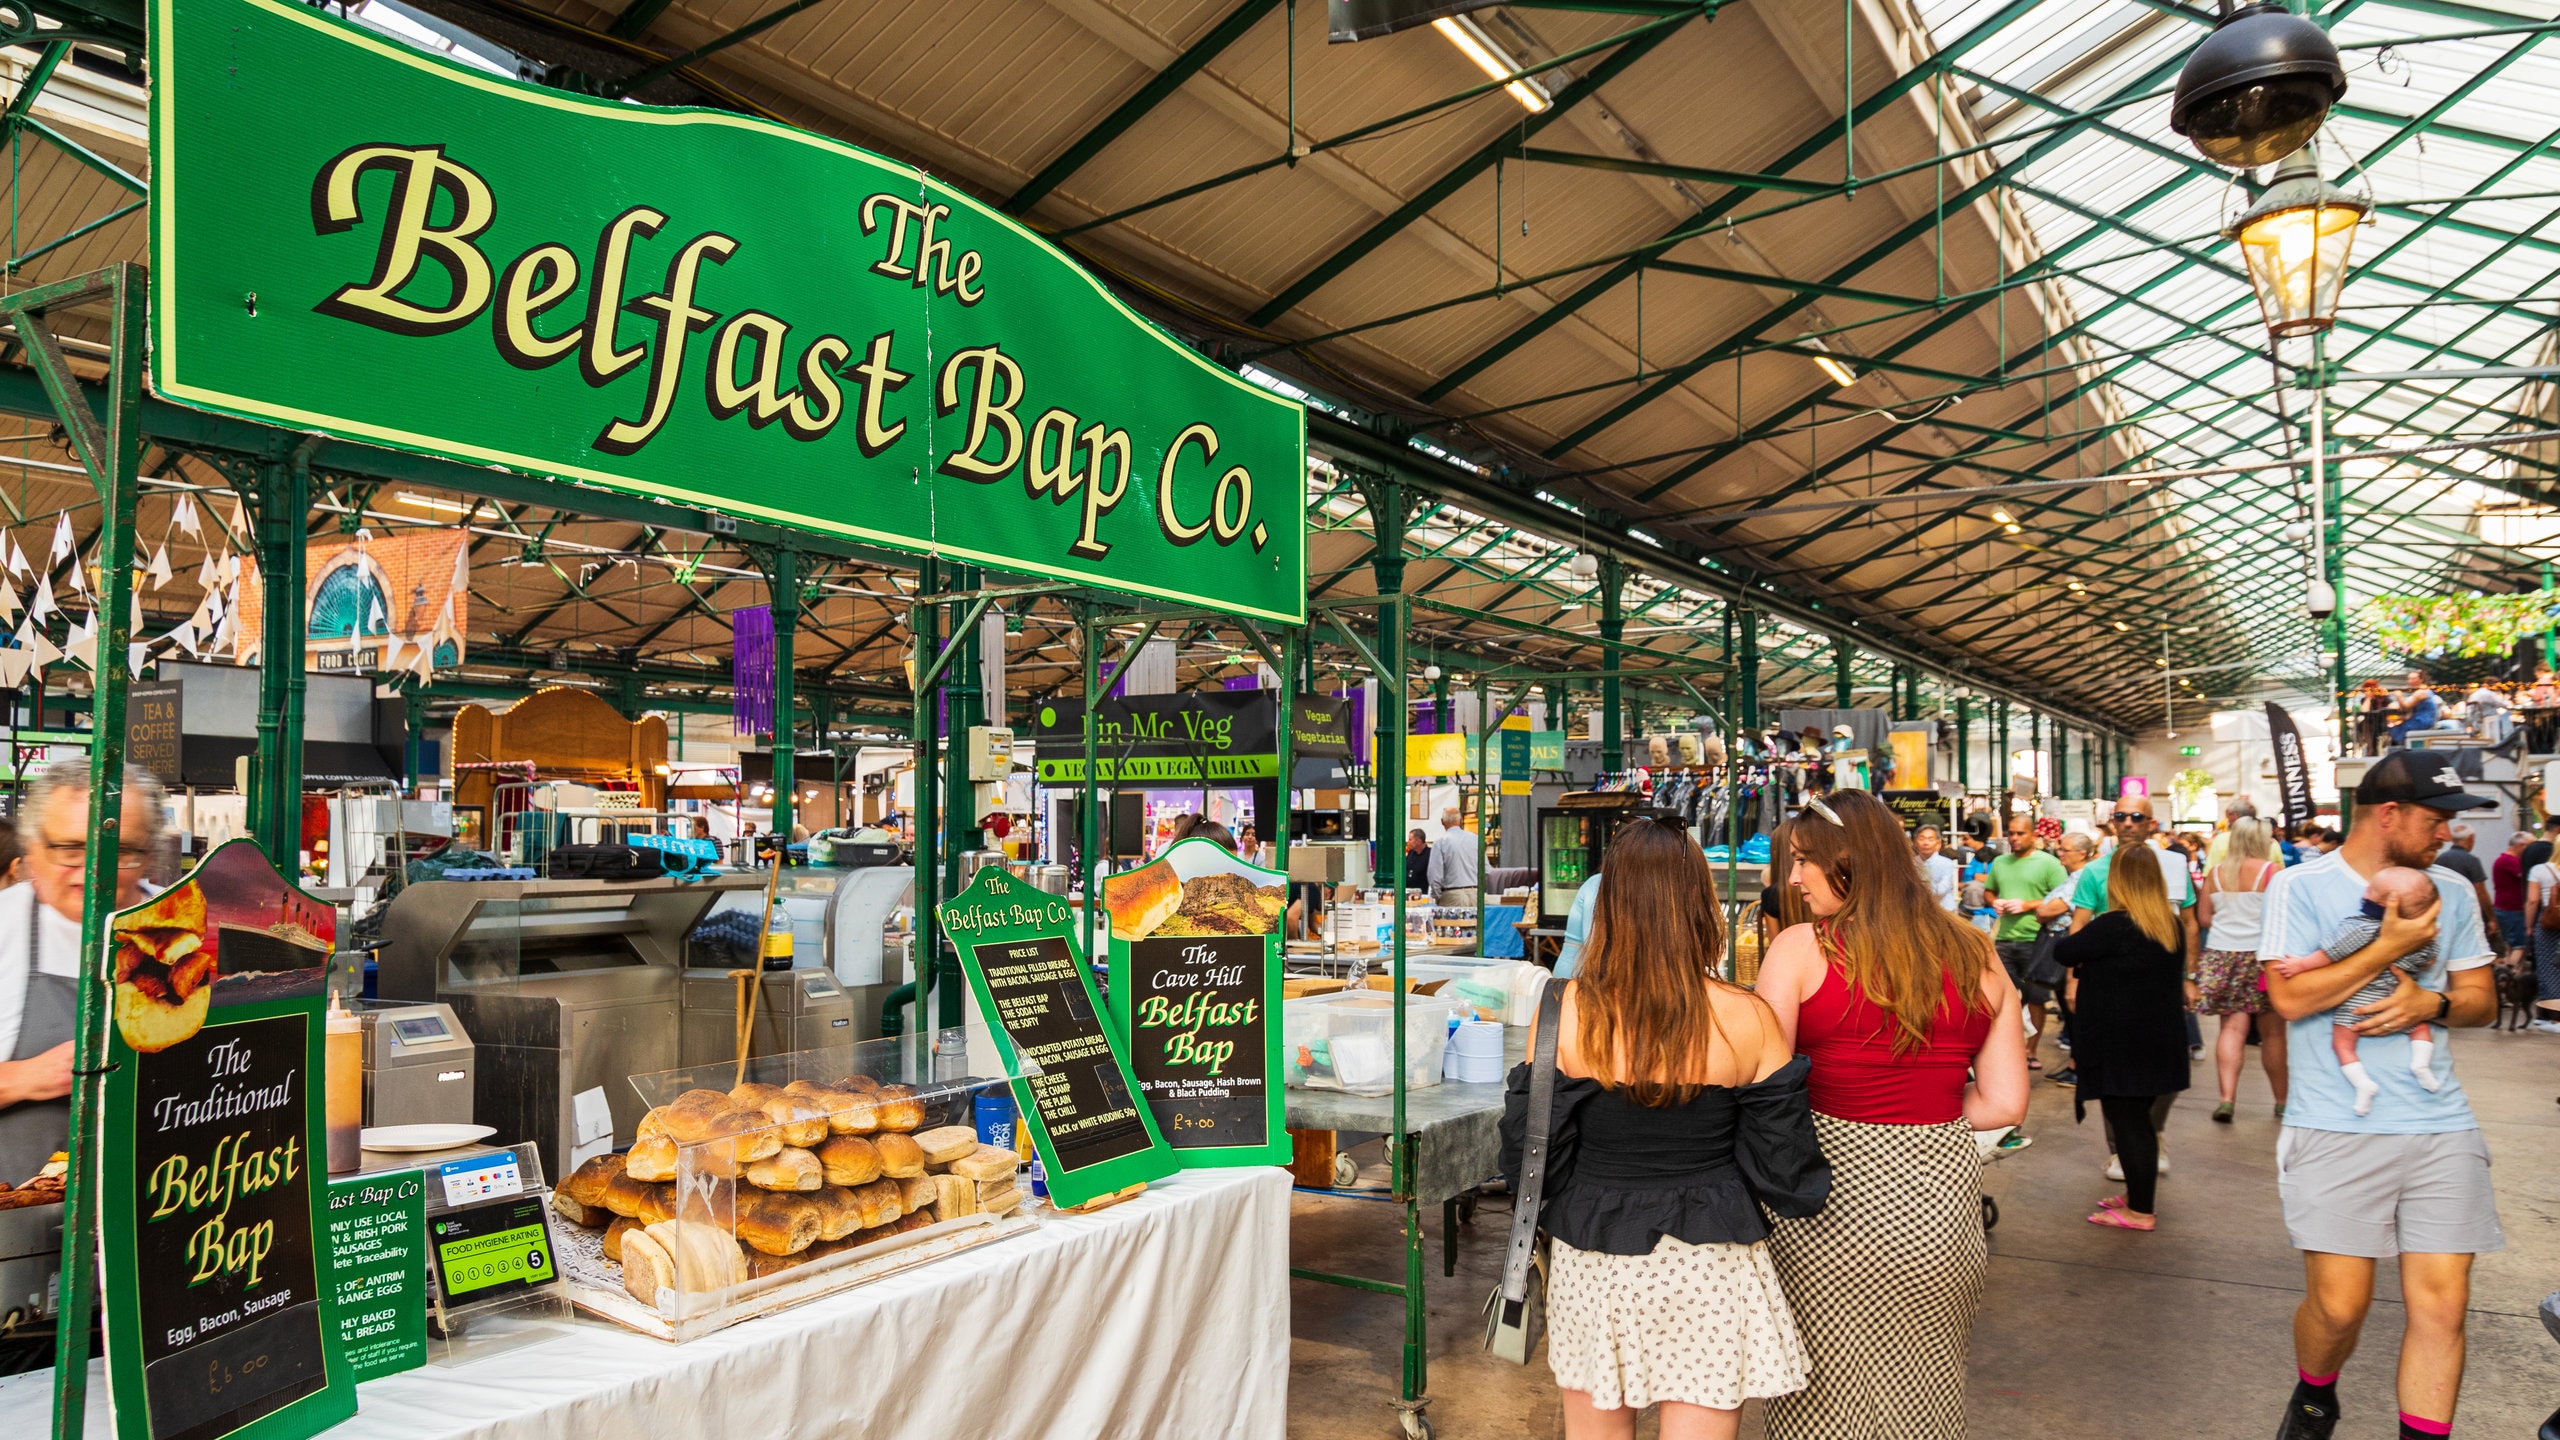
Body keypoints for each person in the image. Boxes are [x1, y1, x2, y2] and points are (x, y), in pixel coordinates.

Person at [1499, 818, 1829, 1440]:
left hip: (1594, 1255)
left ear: (1608, 905)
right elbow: (1789, 1172)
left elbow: (1525, 1157)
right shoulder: (1750, 1017)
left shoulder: (1562, 1010)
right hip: (1713, 1260)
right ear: (1701, 904)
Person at [1751, 791, 2028, 1440]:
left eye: (1802, 862)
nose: (1792, 879)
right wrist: (1924, 1109)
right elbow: (2006, 1103)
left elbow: (1764, 1089)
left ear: (1846, 862)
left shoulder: (1798, 949)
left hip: (1825, 1213)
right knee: (1922, 1400)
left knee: (1820, 1407)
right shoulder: (1976, 952)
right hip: (1940, 1216)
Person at [2258, 751, 2502, 1440]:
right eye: (2435, 820)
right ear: (2387, 815)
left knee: (2443, 1307)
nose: (2445, 835)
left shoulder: (2450, 892)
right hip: (2334, 1124)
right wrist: (2385, 947)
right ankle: (2314, 1397)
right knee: (2339, 1309)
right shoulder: (2300, 888)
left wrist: (2436, 1002)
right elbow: (2289, 995)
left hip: (2440, 1123)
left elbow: (2480, 999)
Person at [0, 760, 167, 1182]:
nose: (94, 869)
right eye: (70, 850)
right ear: (32, 849)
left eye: (122, 851)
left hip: (157, 1215)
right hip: (18, 1230)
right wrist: (26, 1078)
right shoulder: (5, 926)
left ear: (148, 854)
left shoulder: (186, 930)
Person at [2055, 844, 2192, 1231]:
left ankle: (2141, 1211)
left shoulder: (2114, 925)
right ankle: (2137, 1195)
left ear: (2116, 881)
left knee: (2128, 1124)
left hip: (2121, 1043)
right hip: (2160, 1040)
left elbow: (2065, 950)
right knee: (2141, 1123)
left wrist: (2087, 957)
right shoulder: (2169, 924)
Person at [2270, 867, 2446, 1115]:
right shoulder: (2422, 940)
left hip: (2358, 1003)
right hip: (2398, 999)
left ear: (2388, 904)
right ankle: (2421, 1065)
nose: (2364, 891)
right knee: (2420, 1028)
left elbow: (2330, 954)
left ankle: (2362, 1085)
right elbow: (2428, 961)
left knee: (2343, 1044)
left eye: (2371, 890)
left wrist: (2300, 964)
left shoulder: (2360, 927)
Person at [2194, 816, 2289, 1123]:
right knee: (2273, 1033)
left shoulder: (2217, 874)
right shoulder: (2273, 872)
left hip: (2222, 956)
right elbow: (2285, 915)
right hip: (2263, 958)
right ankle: (2281, 1101)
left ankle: (2226, 1099)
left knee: (2231, 1029)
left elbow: (2205, 918)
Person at [2071, 794, 2199, 959]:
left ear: (2151, 824)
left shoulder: (2174, 865)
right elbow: (2079, 924)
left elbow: (2189, 923)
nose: (2128, 823)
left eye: (2137, 817)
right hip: (2109, 969)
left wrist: (2190, 975)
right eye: (2120, 816)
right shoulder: (2094, 870)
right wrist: (2074, 979)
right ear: (2114, 822)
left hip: (2162, 969)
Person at [1989, 817, 2068, 1069]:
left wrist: (2027, 905)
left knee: (2035, 997)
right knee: (2003, 997)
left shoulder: (2050, 864)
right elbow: (1989, 890)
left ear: (2033, 835)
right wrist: (1995, 901)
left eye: (2020, 833)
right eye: (2011, 833)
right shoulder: (2000, 862)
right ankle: (2005, 1049)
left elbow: (2064, 896)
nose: (2014, 838)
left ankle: (2031, 1050)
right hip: (2004, 939)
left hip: (2037, 940)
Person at [2526, 841, 2560, 1034]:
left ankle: (2555, 1019)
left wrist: (2529, 926)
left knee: (2549, 968)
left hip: (2549, 922)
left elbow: (2532, 900)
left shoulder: (2539, 870)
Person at [1426, 805, 1478, 910]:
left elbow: (1435, 875)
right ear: (1460, 820)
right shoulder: (1475, 839)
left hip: (1451, 895)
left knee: (1451, 925)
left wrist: (1437, 896)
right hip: (1475, 895)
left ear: (1442, 821)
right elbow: (1486, 870)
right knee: (1474, 926)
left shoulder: (1440, 842)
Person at [2489, 829, 2529, 958]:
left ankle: (2506, 971)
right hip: (2512, 909)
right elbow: (2527, 877)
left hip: (2505, 908)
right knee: (2520, 946)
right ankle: (2512, 973)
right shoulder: (2510, 861)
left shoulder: (2503, 859)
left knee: (2510, 946)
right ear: (2520, 846)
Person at [2388, 672, 2442, 746]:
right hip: (2421, 719)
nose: (2410, 681)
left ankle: (2402, 748)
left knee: (2395, 728)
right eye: (2409, 679)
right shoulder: (2423, 691)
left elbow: (2405, 708)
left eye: (2413, 679)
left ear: (2421, 679)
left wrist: (2399, 696)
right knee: (2394, 723)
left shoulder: (2420, 693)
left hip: (2422, 721)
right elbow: (2410, 713)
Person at [1914, 825, 1958, 912]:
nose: (1926, 843)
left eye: (1930, 839)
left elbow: (1942, 889)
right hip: (1918, 910)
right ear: (1915, 843)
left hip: (1944, 910)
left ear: (1938, 844)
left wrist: (1920, 888)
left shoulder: (1946, 863)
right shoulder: (1911, 864)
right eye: (1922, 839)